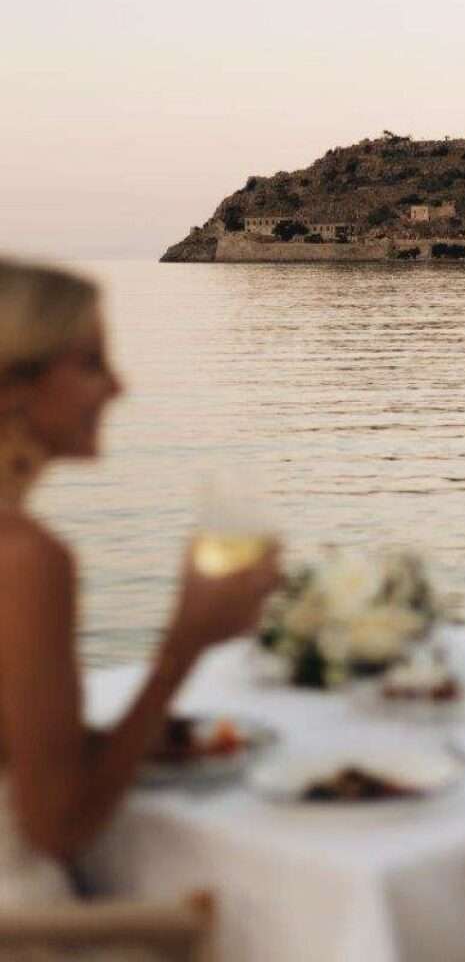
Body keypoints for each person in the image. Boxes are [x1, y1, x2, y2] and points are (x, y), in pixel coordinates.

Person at [0, 257, 281, 906]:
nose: (118, 388)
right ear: (13, 383)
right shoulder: (26, 558)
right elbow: (59, 830)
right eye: (92, 363)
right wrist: (183, 646)